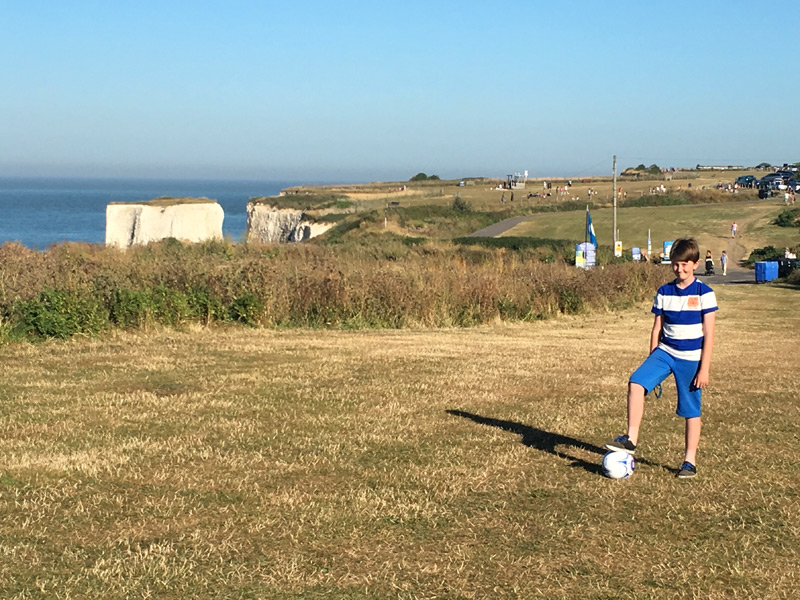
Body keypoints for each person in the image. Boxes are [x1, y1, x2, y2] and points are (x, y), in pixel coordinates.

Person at [606, 238, 718, 479]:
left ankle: (689, 462)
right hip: (664, 352)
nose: (680, 269)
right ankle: (631, 439)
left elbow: (709, 333)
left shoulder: (705, 293)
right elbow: (657, 328)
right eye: (675, 264)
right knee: (636, 383)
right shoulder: (664, 291)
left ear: (695, 264)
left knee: (690, 409)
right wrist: (652, 359)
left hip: (691, 358)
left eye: (685, 265)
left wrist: (704, 368)